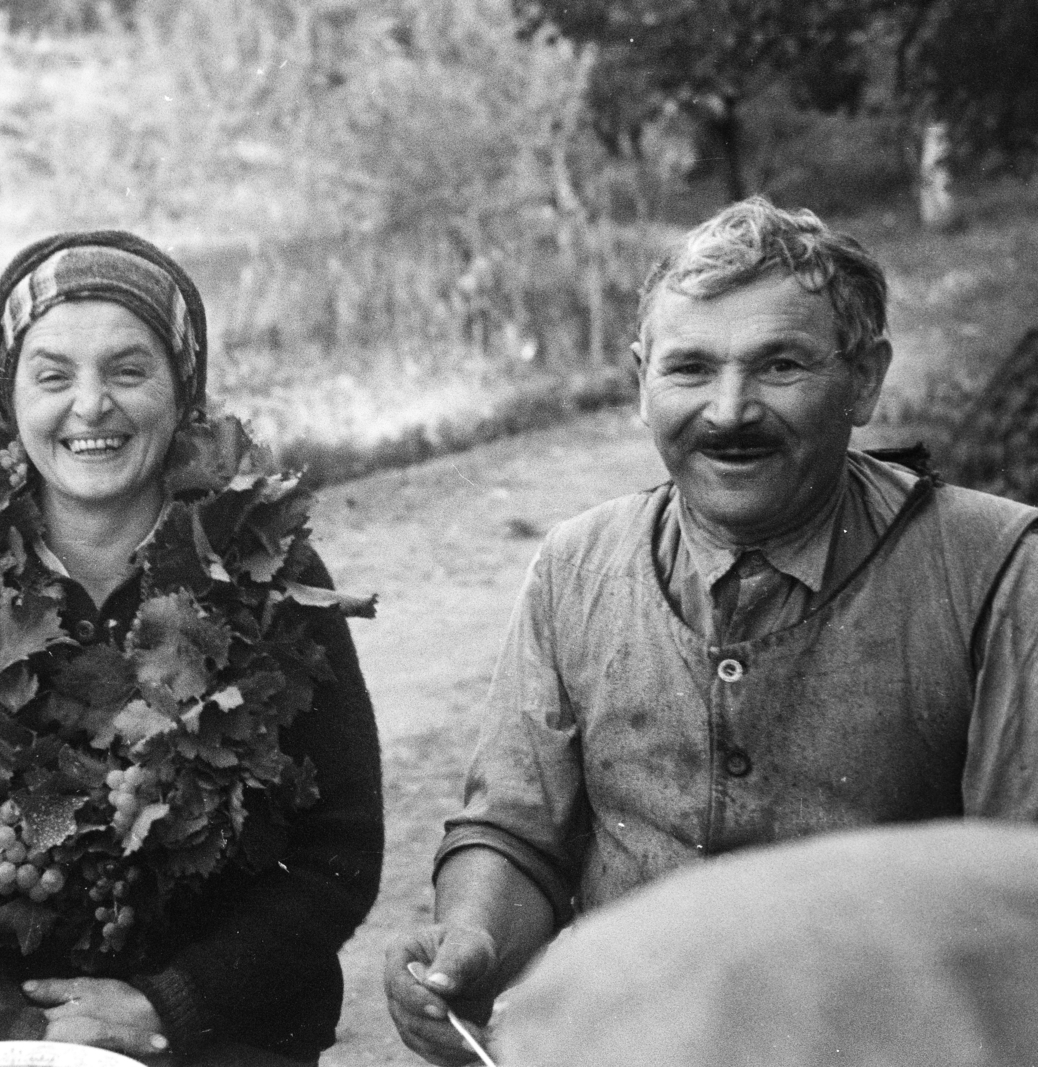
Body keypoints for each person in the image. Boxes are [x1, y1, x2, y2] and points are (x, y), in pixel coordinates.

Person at [385, 196, 1038, 1065]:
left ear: (867, 379)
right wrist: (470, 940)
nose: (730, 411)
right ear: (640, 381)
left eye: (780, 366)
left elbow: (1018, 890)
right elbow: (516, 833)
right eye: (690, 368)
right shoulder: (578, 566)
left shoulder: (996, 567)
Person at [0, 231, 384, 1067]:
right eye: (54, 374)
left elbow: (338, 855)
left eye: (129, 370)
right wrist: (11, 1033)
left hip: (221, 1027)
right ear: (7, 395)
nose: (91, 405)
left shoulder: (260, 565)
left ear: (184, 390)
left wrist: (171, 1005)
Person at [485, 820, 1038, 1067]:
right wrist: (478, 935)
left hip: (879, 1000)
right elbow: (514, 821)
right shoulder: (570, 581)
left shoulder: (987, 585)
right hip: (639, 995)